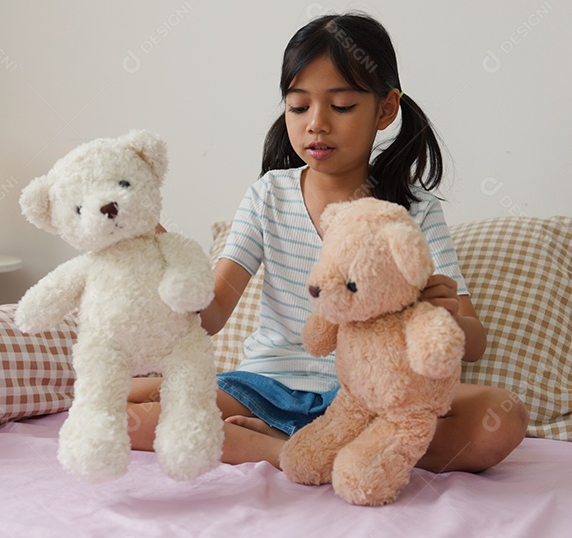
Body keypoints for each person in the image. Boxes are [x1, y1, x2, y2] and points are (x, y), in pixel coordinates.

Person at [128, 12, 527, 473]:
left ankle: (323, 443)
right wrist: (164, 259)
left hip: (374, 392)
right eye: (299, 107)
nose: (316, 124)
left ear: (385, 109)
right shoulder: (268, 196)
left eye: (340, 106)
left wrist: (451, 316)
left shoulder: (414, 210)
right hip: (265, 385)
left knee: (501, 418)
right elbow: (213, 315)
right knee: (124, 410)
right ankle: (286, 450)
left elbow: (474, 344)